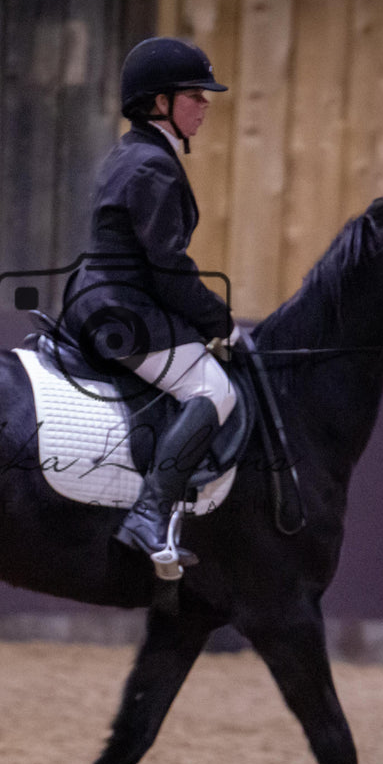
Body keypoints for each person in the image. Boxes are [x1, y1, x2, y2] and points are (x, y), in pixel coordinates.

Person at [61, 37, 236, 569]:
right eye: (194, 96)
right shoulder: (153, 167)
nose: (205, 105)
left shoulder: (132, 153)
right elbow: (167, 268)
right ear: (160, 102)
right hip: (124, 312)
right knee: (214, 387)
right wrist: (219, 321)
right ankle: (148, 514)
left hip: (96, 300)